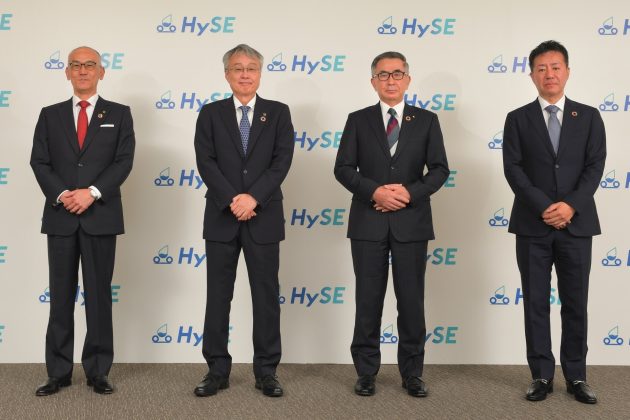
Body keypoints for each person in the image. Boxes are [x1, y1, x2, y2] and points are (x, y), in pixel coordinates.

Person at [334, 51, 449, 397]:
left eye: (397, 73)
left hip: (411, 223)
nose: (390, 80)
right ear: (373, 82)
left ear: (407, 79)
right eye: (383, 75)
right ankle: (366, 372)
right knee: (368, 300)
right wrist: (375, 192)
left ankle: (412, 373)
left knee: (411, 301)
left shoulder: (427, 120)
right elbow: (343, 168)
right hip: (368, 222)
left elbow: (440, 169)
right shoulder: (358, 120)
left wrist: (409, 194)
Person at [502, 40, 605, 404]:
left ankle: (576, 376)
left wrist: (570, 206)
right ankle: (541, 375)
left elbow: (595, 166)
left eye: (556, 67)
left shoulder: (589, 116)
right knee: (535, 302)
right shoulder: (517, 118)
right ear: (532, 75)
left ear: (567, 72)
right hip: (533, 224)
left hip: (577, 225)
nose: (549, 74)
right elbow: (513, 169)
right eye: (542, 68)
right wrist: (546, 207)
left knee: (575, 302)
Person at [30, 46, 135, 396]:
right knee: (60, 296)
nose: (83, 70)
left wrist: (91, 192)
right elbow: (40, 161)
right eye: (76, 65)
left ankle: (98, 371)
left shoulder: (119, 114)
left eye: (90, 65)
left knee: (99, 296)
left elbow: (123, 161)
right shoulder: (50, 115)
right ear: (67, 72)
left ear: (102, 72)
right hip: (61, 217)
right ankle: (58, 372)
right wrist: (64, 194)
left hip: (100, 216)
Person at [193, 44, 294, 398]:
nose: (245, 74)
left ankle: (266, 372)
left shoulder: (278, 113)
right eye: (238, 68)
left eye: (251, 68)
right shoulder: (211, 113)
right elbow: (205, 161)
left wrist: (254, 198)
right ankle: (216, 371)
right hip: (222, 216)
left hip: (263, 216)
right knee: (218, 297)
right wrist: (233, 199)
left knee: (266, 297)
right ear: (227, 74)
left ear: (260, 73)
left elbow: (282, 161)